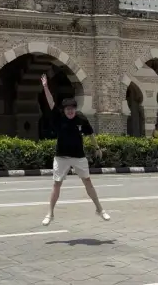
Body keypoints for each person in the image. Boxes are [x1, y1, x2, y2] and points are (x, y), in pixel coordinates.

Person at [40, 73, 110, 226]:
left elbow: (90, 133)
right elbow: (50, 102)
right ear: (64, 110)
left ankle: (100, 209)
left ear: (75, 109)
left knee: (87, 181)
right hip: (61, 157)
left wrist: (96, 147)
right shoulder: (59, 117)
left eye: (72, 109)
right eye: (67, 109)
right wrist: (45, 86)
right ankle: (50, 213)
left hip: (78, 156)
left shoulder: (81, 118)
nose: (70, 111)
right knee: (56, 184)